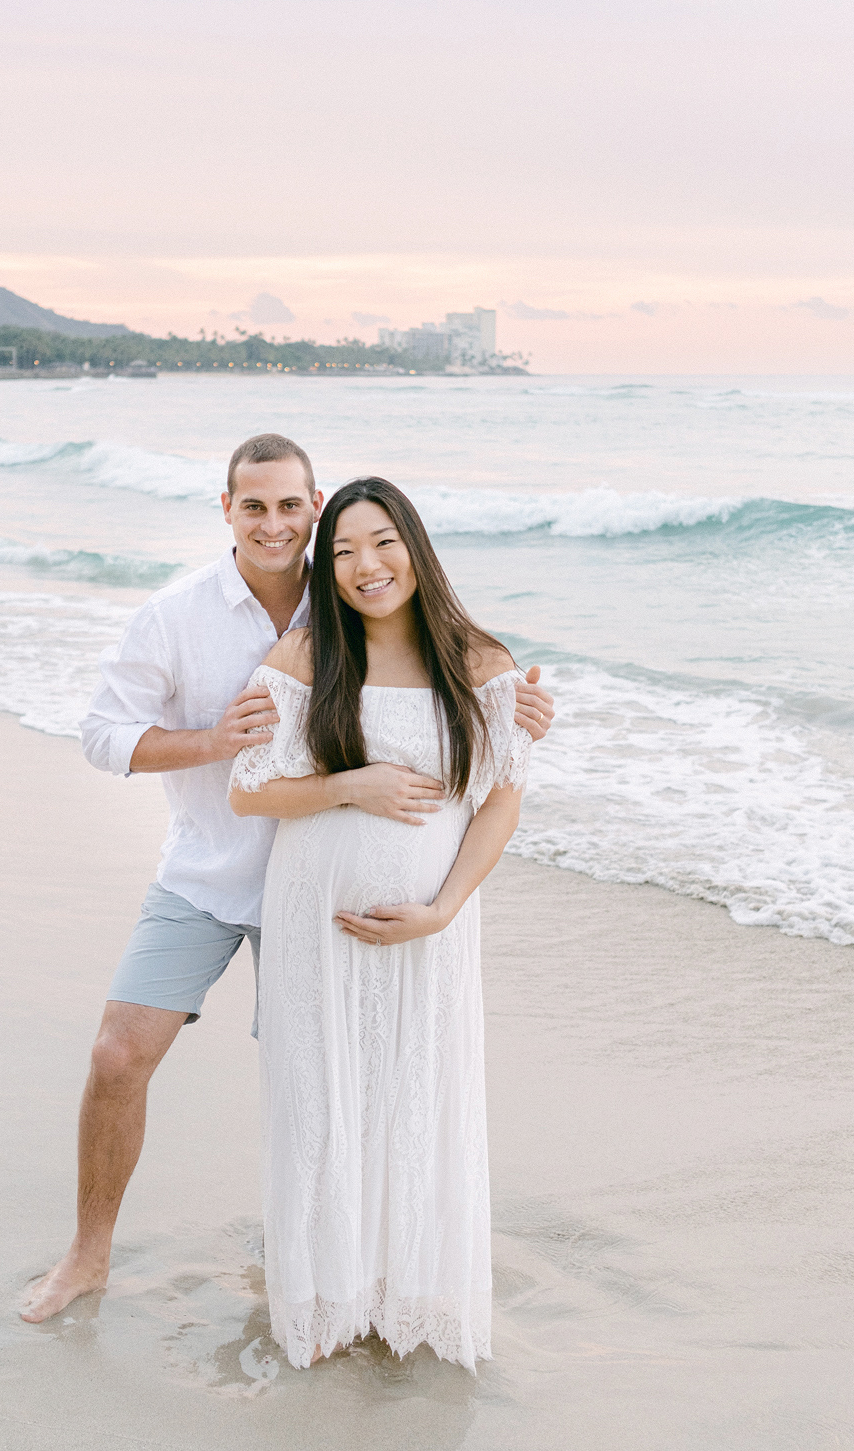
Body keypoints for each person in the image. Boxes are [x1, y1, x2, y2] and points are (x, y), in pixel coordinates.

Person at [20, 435, 553, 1323]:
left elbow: (458, 706)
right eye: (254, 505)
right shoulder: (176, 615)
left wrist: (524, 709)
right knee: (118, 1056)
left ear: (315, 508)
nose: (276, 523)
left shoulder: (355, 591)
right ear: (225, 509)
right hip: (216, 871)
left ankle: (332, 1261)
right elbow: (102, 736)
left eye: (292, 506)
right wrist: (214, 742)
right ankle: (87, 1257)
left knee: (335, 1084)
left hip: (331, 898)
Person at [228, 476, 529, 1371]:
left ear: (416, 547)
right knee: (321, 1106)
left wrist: (439, 912)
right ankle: (326, 1299)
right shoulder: (306, 655)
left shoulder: (477, 658)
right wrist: (349, 785)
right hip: (314, 930)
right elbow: (250, 791)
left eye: (384, 542)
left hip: (430, 931)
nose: (367, 566)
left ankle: (409, 1293)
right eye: (347, 550)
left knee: (415, 1098)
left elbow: (501, 805)